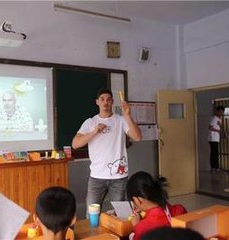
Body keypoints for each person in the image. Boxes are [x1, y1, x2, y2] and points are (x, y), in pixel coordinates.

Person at [72, 88, 142, 216]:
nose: (106, 102)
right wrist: (94, 132)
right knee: (91, 214)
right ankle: (93, 235)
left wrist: (127, 116)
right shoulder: (90, 122)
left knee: (120, 214)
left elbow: (137, 137)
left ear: (112, 102)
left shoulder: (120, 120)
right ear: (97, 102)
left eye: (109, 100)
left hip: (118, 178)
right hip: (97, 177)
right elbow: (75, 144)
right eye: (102, 99)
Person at [126, 171, 187, 240]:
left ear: (137, 200)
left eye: (133, 202)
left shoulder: (142, 228)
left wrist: (136, 225)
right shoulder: (180, 210)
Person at [208, 106, 225, 172]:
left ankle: (215, 167)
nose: (221, 113)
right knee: (214, 153)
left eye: (222, 112)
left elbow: (218, 127)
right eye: (220, 111)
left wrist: (220, 128)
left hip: (216, 138)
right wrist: (218, 131)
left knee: (215, 153)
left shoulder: (219, 119)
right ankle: (214, 168)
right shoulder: (214, 118)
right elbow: (210, 127)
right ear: (217, 111)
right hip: (212, 138)